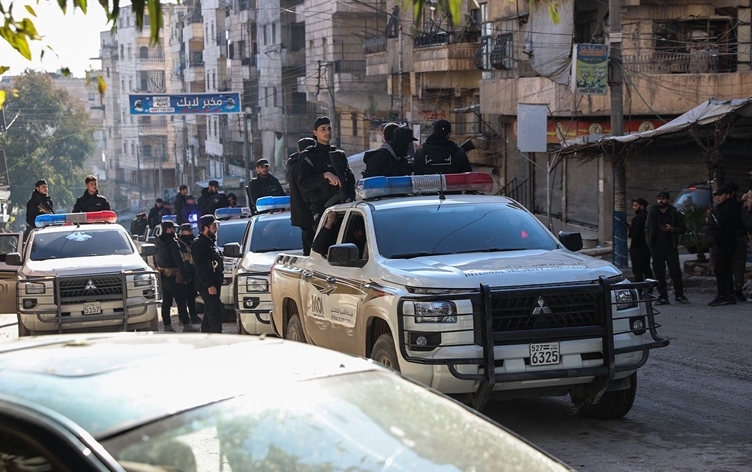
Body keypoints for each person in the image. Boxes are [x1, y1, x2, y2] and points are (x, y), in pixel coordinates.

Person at [298, 116, 355, 224]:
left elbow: (350, 178)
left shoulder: (339, 154)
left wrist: (351, 196)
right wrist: (325, 175)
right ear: (315, 133)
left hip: (343, 206)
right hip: (322, 209)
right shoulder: (308, 156)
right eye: (323, 129)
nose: (327, 132)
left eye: (329, 128)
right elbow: (304, 184)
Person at [645, 190, 689, 305]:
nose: (660, 201)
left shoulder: (674, 212)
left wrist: (672, 229)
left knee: (675, 272)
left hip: (670, 247)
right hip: (656, 247)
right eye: (659, 199)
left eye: (663, 199)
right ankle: (663, 296)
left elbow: (683, 228)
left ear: (668, 200)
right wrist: (649, 242)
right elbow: (647, 228)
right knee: (659, 273)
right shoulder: (652, 212)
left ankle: (679, 295)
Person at [155, 220, 198, 332]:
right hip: (175, 275)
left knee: (167, 302)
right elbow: (179, 260)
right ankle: (186, 325)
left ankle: (167, 326)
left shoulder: (158, 242)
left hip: (163, 275)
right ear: (168, 229)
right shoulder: (172, 242)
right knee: (181, 301)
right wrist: (186, 276)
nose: (175, 230)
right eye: (173, 228)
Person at [707, 184, 740, 306]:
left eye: (720, 195)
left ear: (727, 195)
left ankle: (723, 296)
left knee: (720, 269)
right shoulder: (723, 207)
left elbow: (718, 224)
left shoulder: (728, 208)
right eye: (717, 195)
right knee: (726, 269)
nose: (718, 198)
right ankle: (729, 295)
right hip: (723, 241)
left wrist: (710, 222)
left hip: (726, 242)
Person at [192, 214, 224, 333]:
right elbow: (200, 266)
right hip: (207, 285)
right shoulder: (199, 244)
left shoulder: (209, 242)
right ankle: (217, 337)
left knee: (210, 311)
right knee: (215, 312)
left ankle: (205, 334)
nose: (216, 229)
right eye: (214, 226)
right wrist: (209, 284)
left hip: (214, 282)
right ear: (206, 228)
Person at [287, 137, 317, 255]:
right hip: (306, 211)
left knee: (308, 241)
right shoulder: (300, 166)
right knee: (311, 245)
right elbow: (305, 189)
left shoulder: (294, 165)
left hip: (302, 212)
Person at [729, 182, 750, 302]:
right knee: (738, 265)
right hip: (737, 238)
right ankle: (737, 290)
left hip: (727, 240)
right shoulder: (738, 206)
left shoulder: (720, 207)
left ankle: (730, 290)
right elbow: (747, 222)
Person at [177, 223, 202, 324]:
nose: (191, 232)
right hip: (183, 273)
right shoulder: (178, 243)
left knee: (192, 295)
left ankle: (193, 316)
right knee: (183, 297)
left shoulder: (193, 241)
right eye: (189, 231)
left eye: (191, 230)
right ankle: (183, 318)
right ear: (183, 232)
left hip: (194, 271)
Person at [628, 197, 653, 283]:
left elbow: (635, 234)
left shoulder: (638, 219)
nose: (633, 207)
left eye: (636, 205)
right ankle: (650, 287)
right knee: (647, 269)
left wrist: (631, 228)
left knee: (638, 271)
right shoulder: (648, 217)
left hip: (637, 248)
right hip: (646, 247)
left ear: (642, 207)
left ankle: (639, 289)